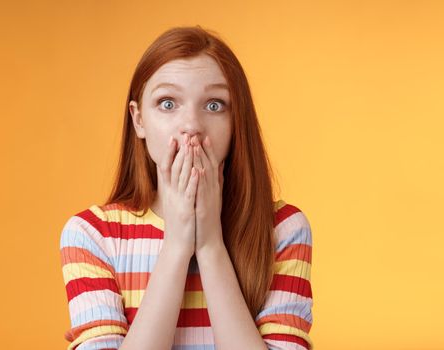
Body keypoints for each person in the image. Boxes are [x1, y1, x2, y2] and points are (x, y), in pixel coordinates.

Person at [59, 25, 314, 350]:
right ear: (139, 120)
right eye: (167, 103)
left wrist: (210, 246)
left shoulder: (284, 229)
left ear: (237, 121)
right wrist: (178, 244)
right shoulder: (93, 235)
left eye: (214, 105)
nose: (191, 125)